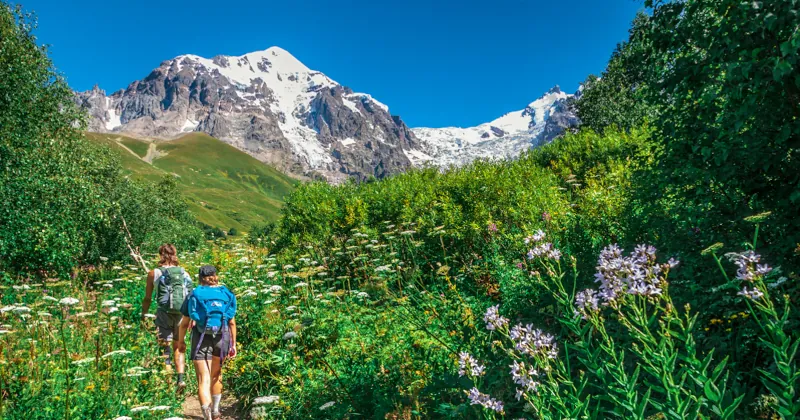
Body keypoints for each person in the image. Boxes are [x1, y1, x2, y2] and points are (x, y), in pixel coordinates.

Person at [178, 265, 237, 420]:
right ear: (215, 276)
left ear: (200, 277)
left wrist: (181, 341)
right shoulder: (225, 293)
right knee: (216, 375)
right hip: (222, 337)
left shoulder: (195, 294)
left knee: (203, 379)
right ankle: (216, 411)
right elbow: (231, 322)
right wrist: (233, 344)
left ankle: (207, 416)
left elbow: (184, 323)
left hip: (201, 337)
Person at [141, 243, 194, 391]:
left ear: (160, 255)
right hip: (182, 314)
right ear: (175, 254)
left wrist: (143, 315)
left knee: (165, 348)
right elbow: (191, 296)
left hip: (163, 313)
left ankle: (169, 385)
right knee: (179, 347)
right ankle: (181, 379)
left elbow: (147, 298)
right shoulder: (184, 273)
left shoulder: (154, 273)